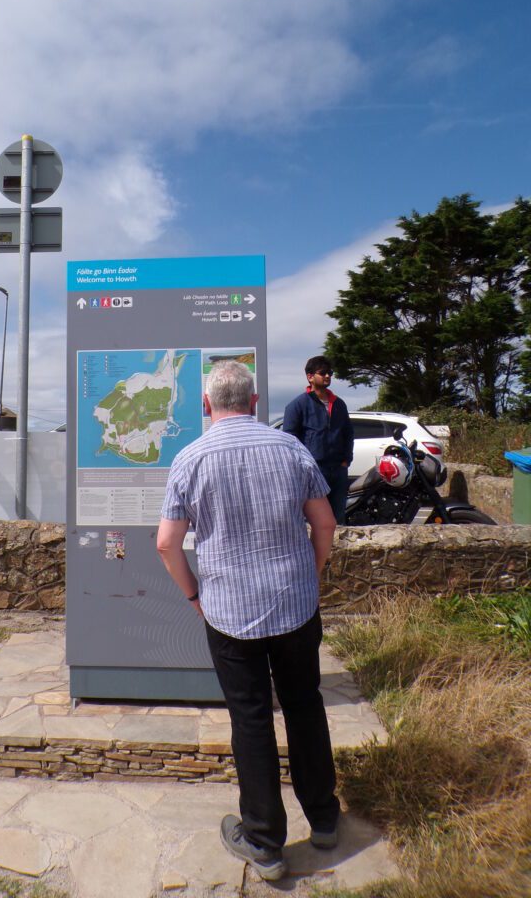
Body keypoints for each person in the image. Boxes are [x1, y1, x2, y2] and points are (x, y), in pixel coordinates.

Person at [156, 360, 339, 882]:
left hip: (229, 612)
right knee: (305, 705)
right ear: (256, 403)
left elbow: (167, 543)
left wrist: (194, 595)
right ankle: (324, 819)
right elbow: (323, 523)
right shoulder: (292, 449)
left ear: (207, 406)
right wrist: (311, 574)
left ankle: (264, 842)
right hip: (296, 606)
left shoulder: (190, 458)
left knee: (251, 718)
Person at [282, 356, 353, 524]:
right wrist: (302, 467)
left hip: (338, 470)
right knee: (314, 521)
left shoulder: (339, 404)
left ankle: (337, 551)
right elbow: (290, 440)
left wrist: (346, 461)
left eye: (330, 373)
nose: (328, 376)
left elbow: (348, 433)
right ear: (310, 377)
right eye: (323, 373)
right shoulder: (297, 405)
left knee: (338, 520)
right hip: (313, 471)